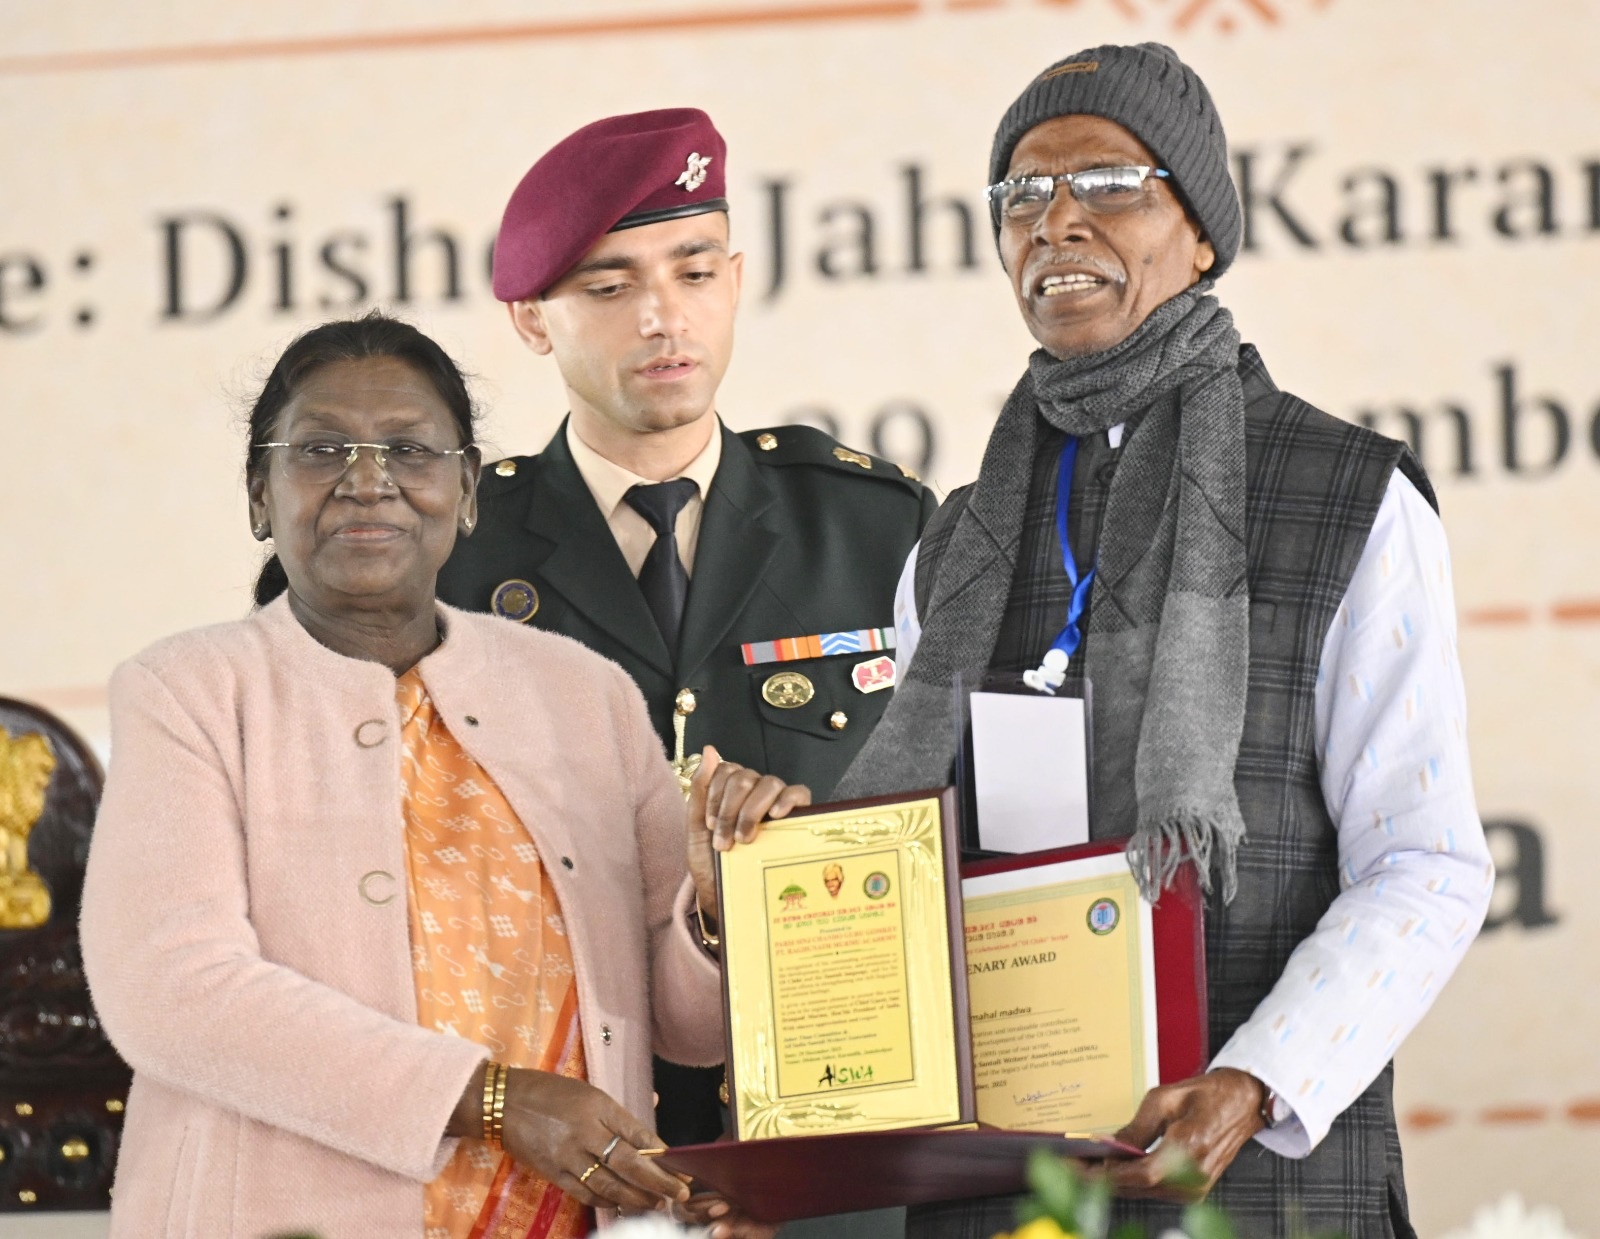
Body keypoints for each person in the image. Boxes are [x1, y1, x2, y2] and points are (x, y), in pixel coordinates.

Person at [836, 43, 1494, 1238]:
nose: (1054, 222)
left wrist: (1255, 1083)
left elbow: (1425, 863)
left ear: (1200, 234)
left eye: (1105, 183)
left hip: (1269, 1183)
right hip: (1007, 1194)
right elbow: (910, 877)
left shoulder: (1349, 495)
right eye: (1020, 196)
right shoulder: (954, 544)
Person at [79, 314, 800, 1239]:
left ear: (465, 493)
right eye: (321, 449)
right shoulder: (187, 691)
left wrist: (714, 911)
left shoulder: (586, 694)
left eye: (409, 450)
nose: (367, 480)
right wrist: (493, 1099)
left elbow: (685, 1030)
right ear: (260, 495)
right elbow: (171, 991)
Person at [434, 108, 936, 1163]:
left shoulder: (874, 528)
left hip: (840, 1134)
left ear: (737, 281)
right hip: (564, 1139)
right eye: (609, 289)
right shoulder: (457, 565)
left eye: (695, 273)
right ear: (531, 319)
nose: (664, 318)